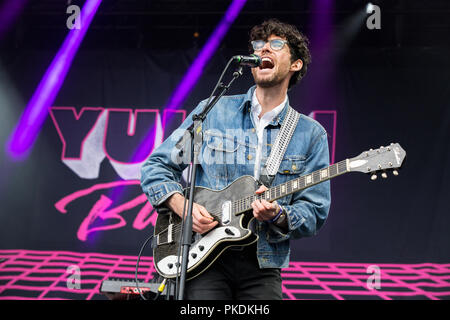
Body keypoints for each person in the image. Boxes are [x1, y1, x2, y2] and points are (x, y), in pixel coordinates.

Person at [140, 18, 331, 300]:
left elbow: (314, 212)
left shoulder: (310, 134)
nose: (263, 50)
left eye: (276, 45)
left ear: (296, 64)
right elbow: (156, 167)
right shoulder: (213, 112)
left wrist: (278, 215)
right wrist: (184, 207)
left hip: (262, 264)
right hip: (203, 260)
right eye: (258, 45)